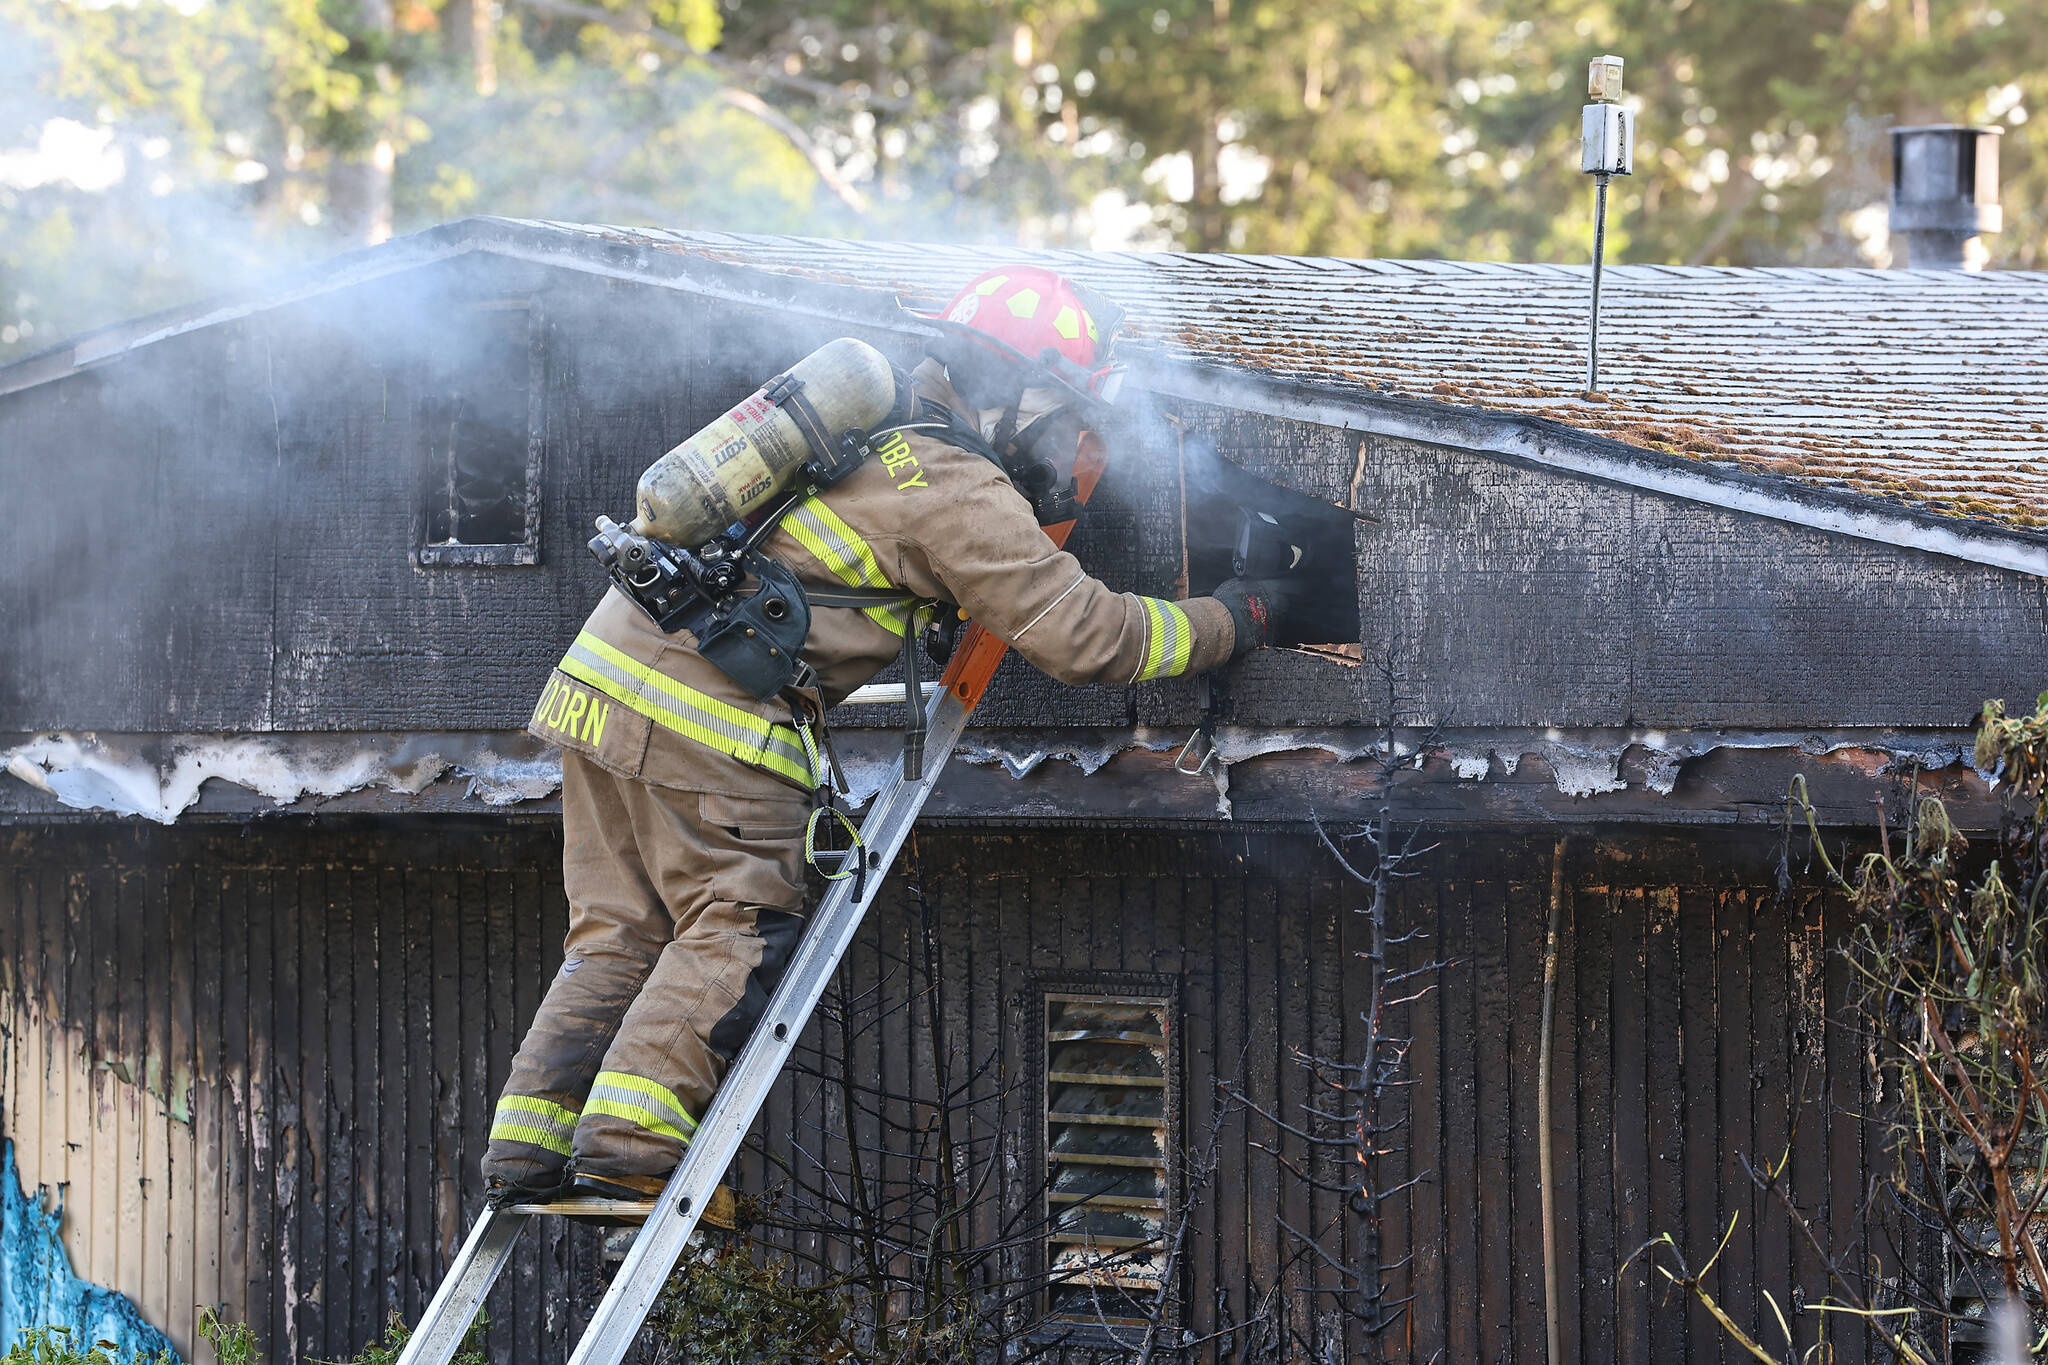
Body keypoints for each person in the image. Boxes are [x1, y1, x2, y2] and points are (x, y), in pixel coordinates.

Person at [482, 265, 1299, 1207]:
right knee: (736, 919)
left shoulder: (859, 429)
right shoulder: (955, 484)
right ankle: (628, 1148)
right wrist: (1239, 617)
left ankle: (525, 1147)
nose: (1067, 441)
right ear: (1023, 392)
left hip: (598, 684)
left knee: (616, 930)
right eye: (1066, 415)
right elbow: (1092, 636)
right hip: (705, 718)